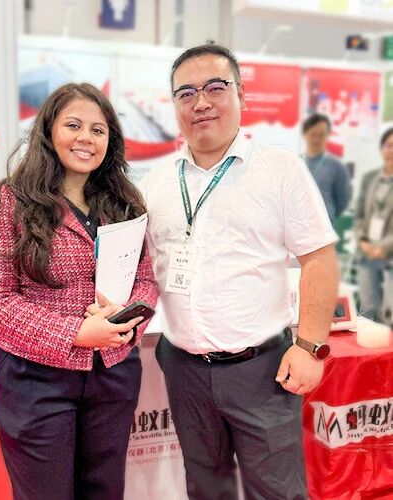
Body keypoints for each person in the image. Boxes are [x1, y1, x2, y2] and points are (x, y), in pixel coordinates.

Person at [140, 44, 339, 499]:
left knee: (276, 490)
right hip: (184, 368)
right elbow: (140, 266)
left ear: (241, 95)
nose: (201, 102)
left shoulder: (279, 170)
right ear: (174, 105)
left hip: (262, 371)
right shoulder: (157, 182)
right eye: (186, 93)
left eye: (215, 88)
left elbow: (319, 258)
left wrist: (309, 346)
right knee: (207, 488)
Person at [0, 82, 158, 500]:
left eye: (98, 130)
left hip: (113, 373)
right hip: (34, 378)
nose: (85, 138)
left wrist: (126, 320)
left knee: (105, 490)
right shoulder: (9, 199)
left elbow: (145, 281)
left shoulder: (125, 202)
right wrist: (75, 333)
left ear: (110, 141)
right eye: (73, 125)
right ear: (49, 130)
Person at [355, 127, 393, 325]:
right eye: (389, 145)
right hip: (367, 253)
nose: (391, 151)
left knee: (389, 314)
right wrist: (363, 242)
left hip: (389, 253)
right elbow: (360, 215)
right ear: (381, 148)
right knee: (367, 311)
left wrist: (382, 248)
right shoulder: (370, 178)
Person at [302, 113, 352, 227]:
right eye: (313, 134)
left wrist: (328, 214)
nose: (316, 139)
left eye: (321, 135)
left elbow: (342, 201)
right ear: (305, 134)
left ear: (328, 135)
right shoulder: (296, 163)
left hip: (324, 228)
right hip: (297, 227)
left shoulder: (337, 167)